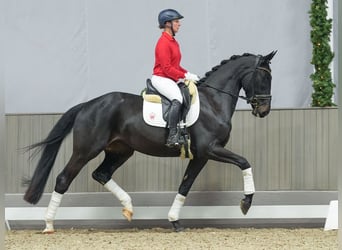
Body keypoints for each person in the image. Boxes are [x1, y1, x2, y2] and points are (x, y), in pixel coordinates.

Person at [151, 9, 199, 148]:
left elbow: (175, 66)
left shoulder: (173, 41)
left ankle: (182, 128)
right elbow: (166, 68)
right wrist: (183, 76)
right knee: (177, 98)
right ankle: (172, 135)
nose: (179, 24)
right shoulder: (163, 43)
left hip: (169, 77)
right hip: (161, 78)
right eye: (176, 21)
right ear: (167, 24)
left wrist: (188, 74)